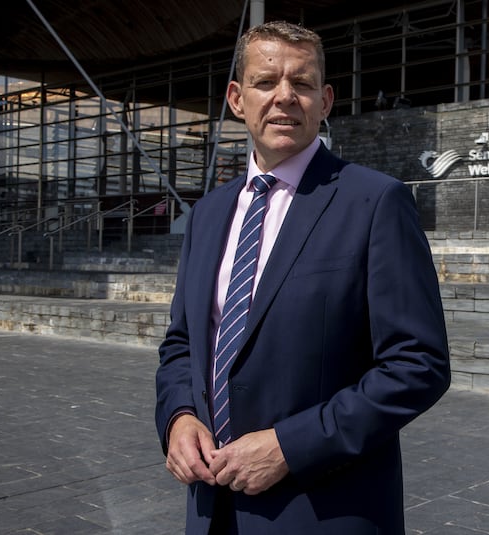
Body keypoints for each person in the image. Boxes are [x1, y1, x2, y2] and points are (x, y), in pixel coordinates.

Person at [154, 20, 451, 534]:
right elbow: (182, 344)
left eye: (303, 83)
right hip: (211, 510)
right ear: (236, 98)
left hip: (322, 511)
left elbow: (417, 364)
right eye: (266, 82)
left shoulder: (375, 202)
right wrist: (178, 417)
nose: (284, 97)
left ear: (326, 99)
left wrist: (290, 446)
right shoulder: (207, 214)